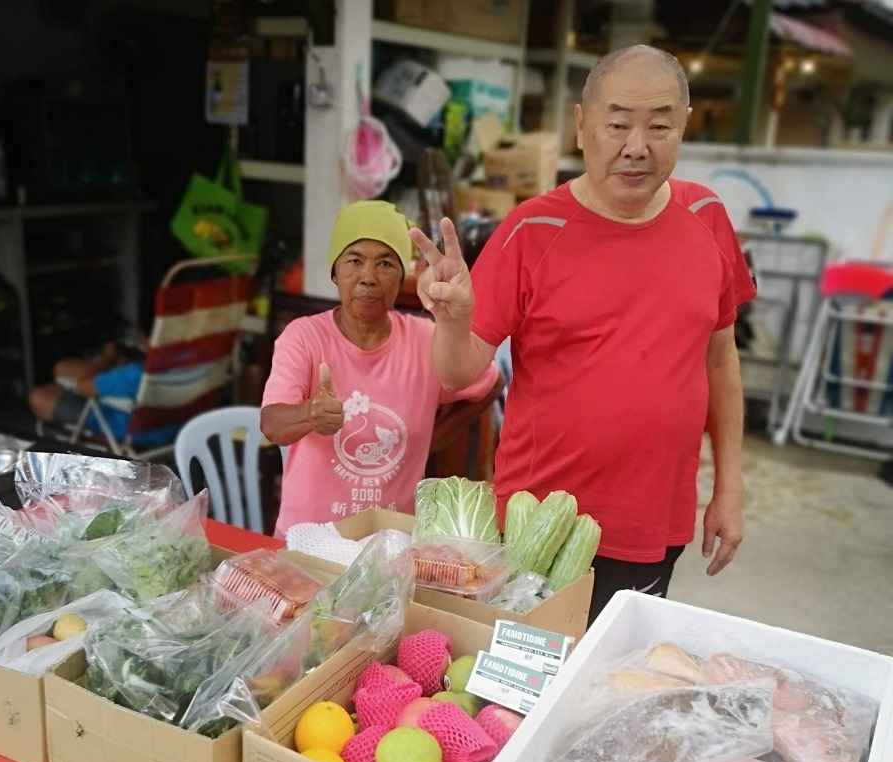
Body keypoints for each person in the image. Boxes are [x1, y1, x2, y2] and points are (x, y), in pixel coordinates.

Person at [410, 45, 756, 623]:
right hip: (536, 526)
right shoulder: (531, 228)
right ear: (580, 125)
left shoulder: (707, 217)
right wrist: (454, 321)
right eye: (617, 124)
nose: (636, 146)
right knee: (518, 695)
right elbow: (457, 371)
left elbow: (720, 360)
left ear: (684, 126)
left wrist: (730, 486)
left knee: (605, 688)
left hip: (653, 521)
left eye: (659, 126)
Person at [260, 200, 501, 538]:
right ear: (334, 272)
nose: (368, 278)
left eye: (385, 263)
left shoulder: (426, 340)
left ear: (402, 276)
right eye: (354, 261)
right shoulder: (303, 337)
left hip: (392, 545)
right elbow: (272, 425)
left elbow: (490, 381)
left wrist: (436, 438)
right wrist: (310, 414)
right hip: (307, 541)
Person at [27, 336, 174, 447]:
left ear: (148, 339)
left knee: (38, 397)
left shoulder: (134, 373)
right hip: (170, 427)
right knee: (61, 370)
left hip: (127, 427)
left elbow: (83, 388)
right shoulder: (191, 367)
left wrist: (107, 359)